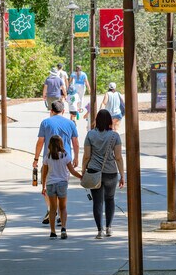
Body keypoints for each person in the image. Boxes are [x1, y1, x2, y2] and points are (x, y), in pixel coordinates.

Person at [33, 100, 79, 224]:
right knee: (62, 185)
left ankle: (50, 209)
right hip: (66, 159)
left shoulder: (45, 123)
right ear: (63, 111)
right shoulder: (70, 123)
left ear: (51, 111)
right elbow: (75, 142)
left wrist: (36, 159)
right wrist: (76, 158)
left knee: (48, 186)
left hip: (49, 160)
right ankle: (59, 212)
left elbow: (40, 142)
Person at [81, 109, 125, 239]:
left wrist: (83, 171)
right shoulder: (115, 136)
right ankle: (109, 228)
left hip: (94, 171)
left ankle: (99, 230)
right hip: (111, 172)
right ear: (109, 121)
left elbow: (86, 156)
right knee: (110, 199)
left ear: (97, 120)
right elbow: (118, 157)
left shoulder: (90, 135)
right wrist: (122, 175)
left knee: (97, 202)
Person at [41, 135, 82, 239]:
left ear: (50, 145)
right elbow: (72, 171)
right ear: (61, 144)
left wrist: (43, 186)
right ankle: (63, 228)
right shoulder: (65, 156)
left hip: (50, 184)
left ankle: (53, 232)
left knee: (52, 208)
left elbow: (44, 173)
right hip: (62, 184)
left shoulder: (47, 157)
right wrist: (81, 177)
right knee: (63, 207)